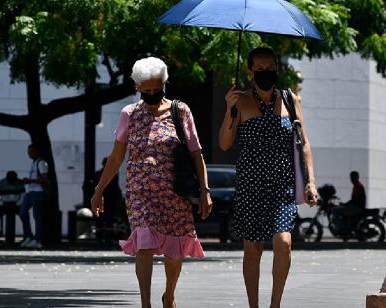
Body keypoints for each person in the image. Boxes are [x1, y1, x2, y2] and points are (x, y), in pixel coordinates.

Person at [91, 56, 212, 308]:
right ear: (137, 87)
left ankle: (169, 295)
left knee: (174, 249)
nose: (153, 93)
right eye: (146, 90)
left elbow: (196, 153)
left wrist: (205, 191)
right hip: (140, 194)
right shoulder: (129, 114)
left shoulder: (181, 111)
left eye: (157, 88)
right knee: (144, 244)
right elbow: (116, 157)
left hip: (174, 193)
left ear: (165, 83)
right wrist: (99, 189)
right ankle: (146, 304)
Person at [219, 47, 319, 308]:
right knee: (252, 248)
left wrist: (310, 182)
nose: (266, 73)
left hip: (282, 185)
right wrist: (229, 109)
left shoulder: (290, 100)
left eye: (270, 68)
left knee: (284, 242)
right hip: (250, 186)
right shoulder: (240, 101)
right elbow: (224, 143)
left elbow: (305, 143)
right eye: (260, 69)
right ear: (250, 71)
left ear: (277, 68)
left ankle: (275, 304)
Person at [19, 144, 48, 249]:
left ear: (37, 152)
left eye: (32, 152)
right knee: (22, 212)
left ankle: (37, 239)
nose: (30, 154)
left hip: (38, 191)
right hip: (30, 191)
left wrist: (30, 180)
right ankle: (29, 236)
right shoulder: (33, 163)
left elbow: (45, 179)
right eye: (29, 152)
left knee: (37, 216)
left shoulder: (41, 163)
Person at [92, 157, 122, 243]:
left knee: (102, 219)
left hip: (106, 200)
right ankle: (105, 238)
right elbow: (116, 189)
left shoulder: (98, 174)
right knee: (106, 219)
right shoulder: (113, 175)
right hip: (109, 200)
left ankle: (101, 237)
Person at [0, 171, 25, 245]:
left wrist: (17, 204)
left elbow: (23, 196)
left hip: (16, 205)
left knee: (25, 215)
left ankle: (26, 237)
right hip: (3, 205)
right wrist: (2, 203)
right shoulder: (0, 183)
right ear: (6, 179)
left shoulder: (20, 183)